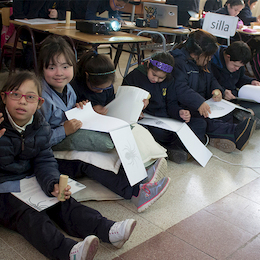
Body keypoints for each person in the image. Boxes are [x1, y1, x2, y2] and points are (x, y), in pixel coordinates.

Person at [0, 70, 137, 260]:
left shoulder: (40, 126)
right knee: (31, 217)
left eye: (30, 97)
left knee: (63, 201)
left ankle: (107, 230)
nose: (22, 101)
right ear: (4, 96)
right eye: (16, 94)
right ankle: (68, 251)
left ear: (39, 103)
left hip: (28, 180)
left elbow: (44, 159)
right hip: (4, 189)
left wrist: (52, 183)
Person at [38, 35, 170, 213]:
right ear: (41, 69)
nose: (59, 73)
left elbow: (69, 113)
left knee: (113, 141)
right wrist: (63, 130)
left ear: (73, 67)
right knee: (90, 158)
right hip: (51, 153)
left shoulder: (68, 89)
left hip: (70, 133)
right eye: (51, 67)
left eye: (65, 66)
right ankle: (136, 194)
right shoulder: (40, 97)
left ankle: (140, 178)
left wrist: (81, 109)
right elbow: (36, 139)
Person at [169, 29, 256, 153]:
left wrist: (216, 89)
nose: (210, 59)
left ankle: (216, 138)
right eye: (208, 56)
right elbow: (180, 88)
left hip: (201, 101)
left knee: (223, 115)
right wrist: (199, 102)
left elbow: (210, 78)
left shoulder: (202, 61)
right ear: (197, 53)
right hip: (185, 106)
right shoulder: (178, 62)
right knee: (203, 120)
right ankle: (233, 133)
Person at [122, 52, 194, 164]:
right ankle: (166, 150)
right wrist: (137, 107)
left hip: (163, 117)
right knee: (145, 131)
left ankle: (165, 149)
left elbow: (171, 103)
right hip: (144, 117)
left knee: (191, 125)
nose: (155, 79)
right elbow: (123, 98)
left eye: (161, 78)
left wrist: (179, 112)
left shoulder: (169, 81)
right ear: (148, 66)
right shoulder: (135, 76)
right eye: (153, 74)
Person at [211, 41, 260, 127]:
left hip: (235, 97)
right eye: (235, 65)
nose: (237, 69)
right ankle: (247, 119)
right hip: (219, 99)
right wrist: (222, 91)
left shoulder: (237, 64)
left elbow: (240, 78)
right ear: (228, 57)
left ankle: (247, 117)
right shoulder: (213, 63)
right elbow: (210, 82)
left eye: (240, 67)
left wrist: (251, 81)